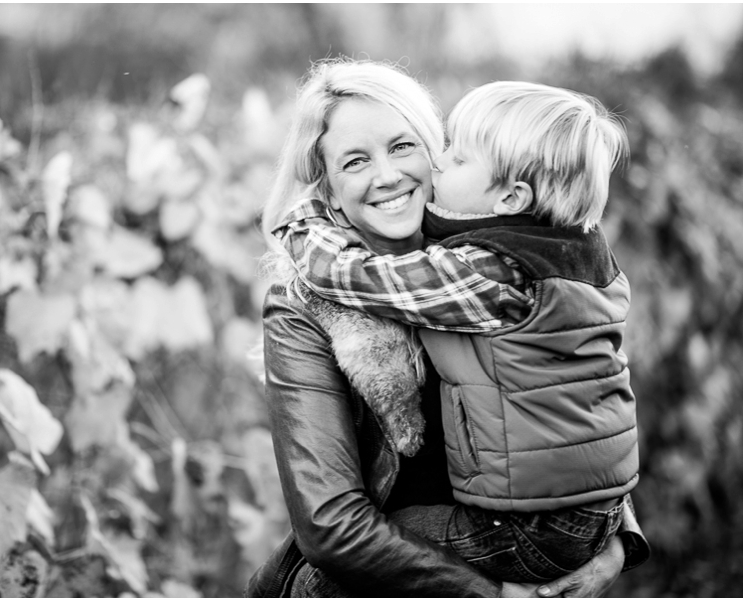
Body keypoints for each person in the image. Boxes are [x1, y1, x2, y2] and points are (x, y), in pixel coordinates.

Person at [247, 60, 649, 598]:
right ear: (328, 186)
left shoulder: (490, 262)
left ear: (436, 151)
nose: (387, 175)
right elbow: (331, 525)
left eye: (402, 146)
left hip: (517, 537)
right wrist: (494, 593)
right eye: (356, 161)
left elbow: (577, 409)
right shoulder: (302, 305)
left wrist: (616, 547)